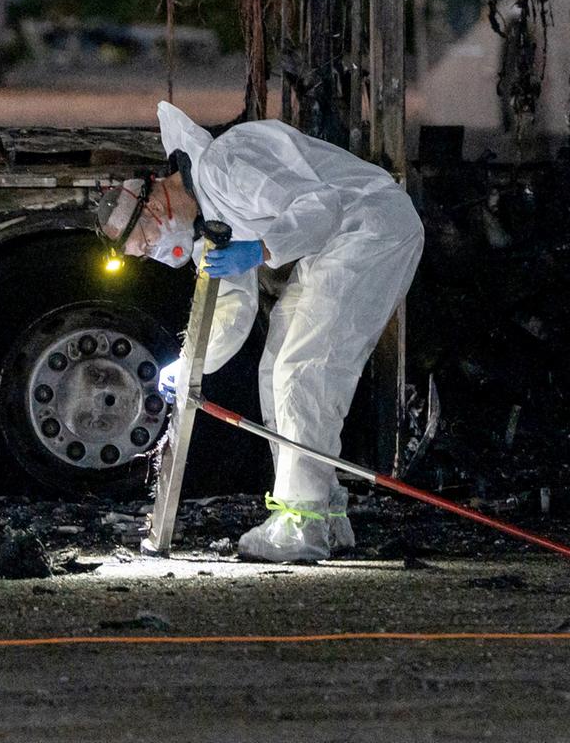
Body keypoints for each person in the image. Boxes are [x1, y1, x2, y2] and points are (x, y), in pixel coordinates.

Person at [96, 101, 424, 563]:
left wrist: (266, 247)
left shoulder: (228, 165)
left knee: (303, 369)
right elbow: (233, 306)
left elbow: (321, 204)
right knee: (276, 370)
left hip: (370, 227)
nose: (155, 252)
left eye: (147, 242)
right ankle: (326, 514)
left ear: (155, 203)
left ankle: (301, 524)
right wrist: (188, 366)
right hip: (335, 245)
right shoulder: (209, 225)